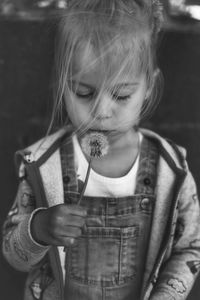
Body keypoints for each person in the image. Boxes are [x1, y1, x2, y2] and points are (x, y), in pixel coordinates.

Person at [2, 0, 200, 299]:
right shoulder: (44, 165)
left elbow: (190, 248)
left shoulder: (171, 171)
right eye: (84, 92)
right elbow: (13, 255)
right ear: (62, 85)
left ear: (148, 87)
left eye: (121, 95)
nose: (101, 112)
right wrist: (39, 229)